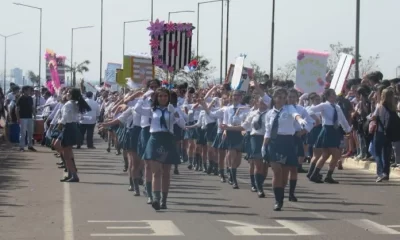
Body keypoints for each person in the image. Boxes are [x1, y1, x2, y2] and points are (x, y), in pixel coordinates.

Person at [134, 88, 185, 211]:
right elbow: (137, 109)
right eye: (160, 96)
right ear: (156, 98)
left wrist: (175, 113)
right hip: (155, 139)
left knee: (166, 172)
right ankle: (155, 198)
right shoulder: (152, 110)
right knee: (155, 171)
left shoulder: (173, 109)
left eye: (165, 96)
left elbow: (183, 124)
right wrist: (143, 97)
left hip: (168, 139)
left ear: (168, 97)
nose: (163, 98)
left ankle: (164, 200)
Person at [262, 88, 308, 211]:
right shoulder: (269, 113)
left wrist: (300, 120)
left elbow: (296, 115)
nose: (282, 100)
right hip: (274, 142)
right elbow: (267, 131)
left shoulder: (289, 109)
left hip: (287, 142)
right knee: (277, 171)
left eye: (284, 97)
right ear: (275, 98)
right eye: (280, 97)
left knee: (284, 175)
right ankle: (278, 201)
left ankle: (281, 194)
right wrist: (264, 146)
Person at [57, 88, 91, 182]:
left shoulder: (69, 104)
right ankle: (70, 173)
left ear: (71, 95)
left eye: (68, 93)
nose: (66, 94)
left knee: (67, 154)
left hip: (68, 127)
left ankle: (74, 175)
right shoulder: (75, 103)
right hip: (73, 126)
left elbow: (65, 117)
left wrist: (60, 124)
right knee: (68, 152)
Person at [16, 86, 36, 152]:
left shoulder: (30, 98)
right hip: (22, 117)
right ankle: (21, 147)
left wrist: (34, 115)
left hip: (29, 117)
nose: (29, 91)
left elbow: (32, 107)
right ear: (24, 91)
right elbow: (17, 109)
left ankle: (30, 146)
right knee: (23, 133)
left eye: (29, 90)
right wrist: (18, 118)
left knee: (30, 132)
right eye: (28, 90)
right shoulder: (20, 98)